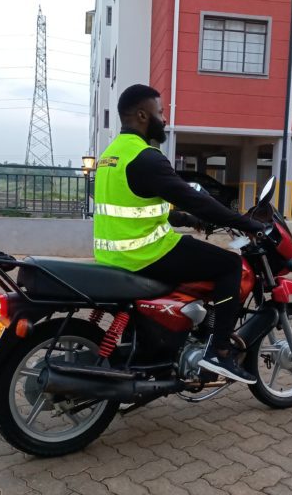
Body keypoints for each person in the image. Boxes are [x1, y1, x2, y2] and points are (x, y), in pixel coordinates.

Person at [93, 84, 265, 384]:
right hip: (146, 254)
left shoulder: (110, 155)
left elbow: (136, 204)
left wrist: (186, 218)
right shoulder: (146, 157)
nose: (165, 120)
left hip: (112, 255)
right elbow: (195, 198)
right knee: (229, 265)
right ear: (143, 115)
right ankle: (218, 353)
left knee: (198, 255)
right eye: (160, 113)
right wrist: (246, 223)